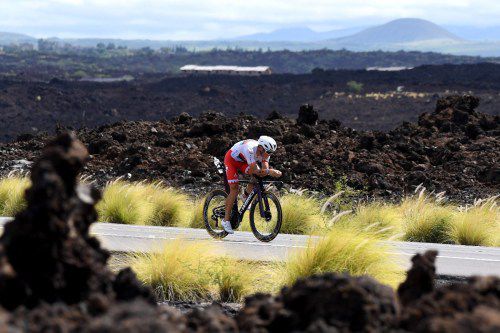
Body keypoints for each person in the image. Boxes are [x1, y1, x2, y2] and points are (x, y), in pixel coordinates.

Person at [221, 136, 282, 234]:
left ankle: (245, 196)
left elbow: (263, 169)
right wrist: (270, 171)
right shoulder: (249, 149)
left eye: (271, 152)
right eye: (268, 152)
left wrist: (268, 171)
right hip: (231, 160)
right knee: (234, 189)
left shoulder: (265, 152)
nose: (269, 154)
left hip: (243, 162)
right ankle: (226, 221)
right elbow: (257, 170)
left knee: (257, 176)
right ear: (261, 147)